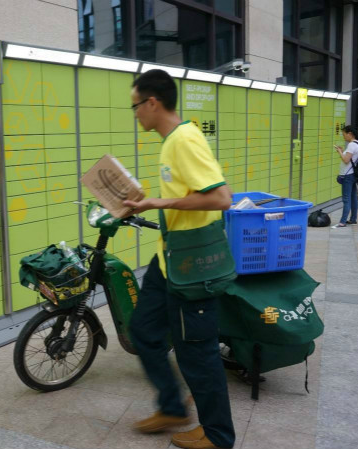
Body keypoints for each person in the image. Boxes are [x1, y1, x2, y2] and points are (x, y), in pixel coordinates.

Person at [122, 69, 235, 449]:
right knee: (143, 330)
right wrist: (147, 203)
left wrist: (158, 202)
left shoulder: (184, 139)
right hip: (167, 260)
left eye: (136, 106)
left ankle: (218, 436)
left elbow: (221, 197)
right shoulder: (172, 140)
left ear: (152, 103)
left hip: (191, 265)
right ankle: (172, 407)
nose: (135, 113)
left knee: (196, 352)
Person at [332, 125, 358, 228]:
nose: (343, 136)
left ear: (350, 134)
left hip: (348, 176)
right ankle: (353, 219)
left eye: (344, 134)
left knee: (346, 199)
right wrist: (342, 151)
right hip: (352, 174)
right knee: (353, 197)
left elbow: (346, 160)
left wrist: (340, 151)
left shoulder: (352, 145)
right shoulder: (357, 144)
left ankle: (342, 221)